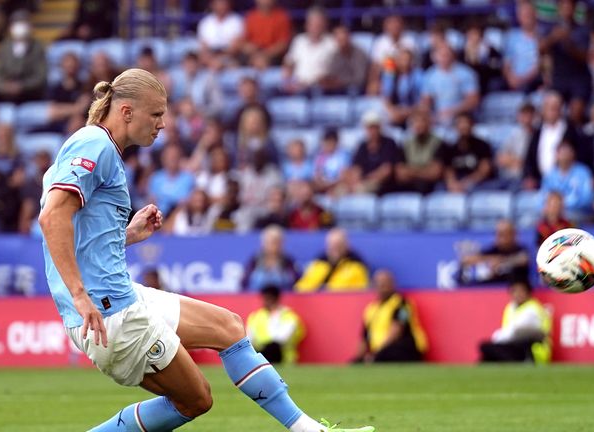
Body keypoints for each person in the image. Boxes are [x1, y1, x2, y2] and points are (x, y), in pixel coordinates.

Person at [37, 68, 374, 432]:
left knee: (229, 326)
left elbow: (82, 238)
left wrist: (129, 234)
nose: (163, 124)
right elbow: (52, 217)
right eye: (156, 114)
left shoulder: (101, 149)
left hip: (119, 300)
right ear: (126, 111)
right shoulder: (94, 143)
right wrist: (79, 295)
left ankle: (311, 430)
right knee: (196, 399)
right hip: (110, 314)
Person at [352, 270, 428, 363]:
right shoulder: (371, 309)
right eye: (379, 284)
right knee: (356, 362)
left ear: (393, 284)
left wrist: (376, 354)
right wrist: (359, 357)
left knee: (389, 353)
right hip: (380, 352)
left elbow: (396, 332)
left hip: (404, 348)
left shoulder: (402, 304)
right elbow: (364, 337)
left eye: (385, 283)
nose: (383, 287)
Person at [479, 279, 551, 364]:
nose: (518, 294)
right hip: (513, 346)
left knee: (486, 348)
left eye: (521, 291)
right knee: (487, 356)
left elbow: (515, 333)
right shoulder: (510, 307)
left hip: (533, 353)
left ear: (528, 292)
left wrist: (497, 337)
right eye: (514, 291)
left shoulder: (532, 309)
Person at [539, 0, 593, 107]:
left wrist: (569, 45)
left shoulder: (583, 29)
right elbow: (540, 49)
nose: (567, 9)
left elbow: (585, 57)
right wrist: (554, 38)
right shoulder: (551, 28)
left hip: (579, 78)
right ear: (559, 8)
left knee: (576, 110)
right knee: (552, 106)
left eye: (570, 6)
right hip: (559, 77)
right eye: (564, 6)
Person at [0, 11, 47, 104]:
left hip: (30, 95)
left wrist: (22, 86)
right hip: (6, 94)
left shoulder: (37, 47)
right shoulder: (5, 47)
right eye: (17, 23)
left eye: (23, 22)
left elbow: (40, 76)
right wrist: (5, 86)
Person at [421, 44, 480, 126]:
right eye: (441, 55)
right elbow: (426, 101)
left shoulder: (466, 73)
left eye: (446, 55)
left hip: (461, 116)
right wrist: (429, 114)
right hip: (438, 117)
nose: (444, 58)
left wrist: (452, 112)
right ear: (434, 57)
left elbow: (473, 100)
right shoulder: (430, 75)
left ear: (453, 56)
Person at [295, 228, 369, 292]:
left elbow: (361, 292)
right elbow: (301, 288)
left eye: (338, 245)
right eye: (332, 245)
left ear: (346, 246)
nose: (335, 249)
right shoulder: (318, 265)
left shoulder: (357, 266)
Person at [282, 7, 337, 94]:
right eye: (313, 24)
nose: (315, 27)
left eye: (319, 24)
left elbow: (335, 70)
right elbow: (289, 63)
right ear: (307, 25)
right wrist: (287, 81)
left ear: (325, 25)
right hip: (298, 86)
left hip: (321, 88)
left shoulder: (332, 43)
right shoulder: (299, 41)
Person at [458, 220, 529, 286]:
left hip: (513, 291)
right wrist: (489, 261)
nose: (503, 238)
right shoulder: (491, 250)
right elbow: (465, 260)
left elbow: (523, 259)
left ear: (514, 234)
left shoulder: (520, 249)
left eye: (506, 233)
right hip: (490, 291)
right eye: (499, 234)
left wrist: (501, 263)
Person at [247, 285, 305, 364]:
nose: (264, 301)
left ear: (275, 298)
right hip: (261, 357)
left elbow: (282, 338)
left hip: (283, 359)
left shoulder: (289, 316)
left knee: (273, 347)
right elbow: (249, 340)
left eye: (267, 298)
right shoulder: (255, 316)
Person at [347, 111, 402, 195]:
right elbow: (356, 168)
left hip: (382, 184)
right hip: (364, 181)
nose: (372, 131)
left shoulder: (389, 143)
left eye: (374, 127)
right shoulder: (363, 146)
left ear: (380, 127)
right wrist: (355, 180)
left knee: (360, 190)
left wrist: (367, 179)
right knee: (341, 190)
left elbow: (386, 171)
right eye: (369, 127)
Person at [441, 112, 495, 192]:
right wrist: (452, 183)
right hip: (457, 182)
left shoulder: (483, 145)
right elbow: (448, 170)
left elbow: (484, 170)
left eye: (466, 123)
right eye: (460, 123)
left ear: (472, 125)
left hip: (477, 183)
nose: (463, 126)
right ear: (455, 127)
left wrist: (467, 183)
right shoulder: (450, 148)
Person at [395, 108, 444, 194]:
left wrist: (411, 171)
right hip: (409, 185)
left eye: (422, 121)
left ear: (429, 124)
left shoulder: (439, 143)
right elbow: (400, 174)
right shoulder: (406, 144)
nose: (418, 125)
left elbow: (435, 173)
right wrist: (424, 171)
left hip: (430, 187)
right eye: (415, 122)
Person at [539, 142, 594, 217]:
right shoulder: (550, 174)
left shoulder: (583, 172)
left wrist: (562, 204)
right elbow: (543, 196)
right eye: (561, 152)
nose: (564, 155)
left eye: (567, 152)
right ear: (556, 155)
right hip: (553, 213)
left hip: (577, 211)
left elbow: (588, 197)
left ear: (573, 154)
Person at [242, 225, 299, 292]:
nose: (273, 245)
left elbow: (297, 282)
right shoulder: (255, 259)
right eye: (269, 242)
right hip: (255, 298)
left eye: (276, 242)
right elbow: (244, 282)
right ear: (263, 243)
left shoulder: (288, 260)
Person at [239, 0, 292, 68]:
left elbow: (283, 44)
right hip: (254, 54)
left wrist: (264, 55)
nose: (265, 1)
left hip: (273, 56)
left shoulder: (282, 17)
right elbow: (244, 42)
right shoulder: (250, 17)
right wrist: (251, 51)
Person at [503, 0, 541, 92]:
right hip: (512, 80)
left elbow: (541, 65)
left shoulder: (542, 36)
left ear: (535, 14)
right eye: (523, 15)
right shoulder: (511, 36)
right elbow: (506, 63)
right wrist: (510, 78)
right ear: (518, 17)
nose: (527, 18)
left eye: (529, 14)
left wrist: (523, 79)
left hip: (533, 80)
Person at [320, 25, 370, 95]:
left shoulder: (359, 54)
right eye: (339, 40)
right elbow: (332, 74)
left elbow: (360, 79)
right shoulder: (335, 55)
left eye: (343, 39)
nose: (342, 43)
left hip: (357, 89)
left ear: (349, 38)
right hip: (338, 88)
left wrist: (341, 82)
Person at [380, 48, 424, 126]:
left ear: (411, 61)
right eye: (402, 59)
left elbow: (422, 100)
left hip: (412, 111)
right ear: (397, 60)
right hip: (395, 111)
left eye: (407, 59)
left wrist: (408, 112)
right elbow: (386, 98)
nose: (404, 62)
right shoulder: (389, 75)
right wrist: (393, 111)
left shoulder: (418, 75)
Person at [148, 144, 195, 216]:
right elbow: (152, 201)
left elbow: (187, 203)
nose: (172, 159)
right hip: (159, 216)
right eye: (169, 157)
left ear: (180, 158)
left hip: (180, 217)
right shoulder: (155, 178)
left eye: (175, 157)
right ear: (163, 159)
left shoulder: (188, 178)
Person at [497, 103, 536, 185]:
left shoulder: (538, 135)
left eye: (529, 115)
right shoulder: (513, 135)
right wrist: (517, 161)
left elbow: (531, 163)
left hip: (528, 178)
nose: (527, 119)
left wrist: (519, 162)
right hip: (509, 177)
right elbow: (501, 159)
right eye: (524, 115)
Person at [198, 0, 244, 67]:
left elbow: (235, 46)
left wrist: (221, 59)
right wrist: (211, 59)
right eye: (218, 3)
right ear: (212, 5)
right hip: (210, 56)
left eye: (223, 3)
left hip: (230, 56)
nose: (221, 6)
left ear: (229, 4)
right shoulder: (205, 22)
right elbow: (203, 46)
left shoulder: (236, 21)